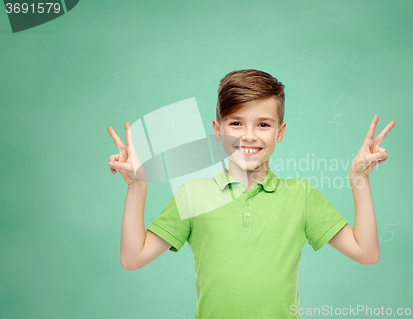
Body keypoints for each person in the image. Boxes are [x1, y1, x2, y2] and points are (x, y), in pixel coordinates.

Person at [107, 69, 395, 318]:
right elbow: (133, 259)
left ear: (280, 132)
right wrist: (136, 185)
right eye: (236, 123)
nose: (248, 135)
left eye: (263, 124)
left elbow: (366, 253)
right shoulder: (193, 195)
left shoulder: (301, 196)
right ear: (217, 130)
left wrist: (359, 177)